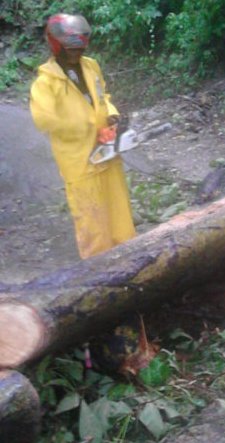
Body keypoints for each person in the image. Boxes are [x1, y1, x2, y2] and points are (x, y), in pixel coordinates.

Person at [30, 13, 135, 259]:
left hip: (107, 153)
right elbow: (44, 119)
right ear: (57, 46)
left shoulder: (91, 66)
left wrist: (111, 116)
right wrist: (87, 129)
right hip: (79, 162)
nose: (76, 54)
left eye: (80, 49)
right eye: (71, 50)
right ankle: (98, 273)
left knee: (119, 213)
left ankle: (131, 258)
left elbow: (103, 97)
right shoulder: (45, 83)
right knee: (92, 222)